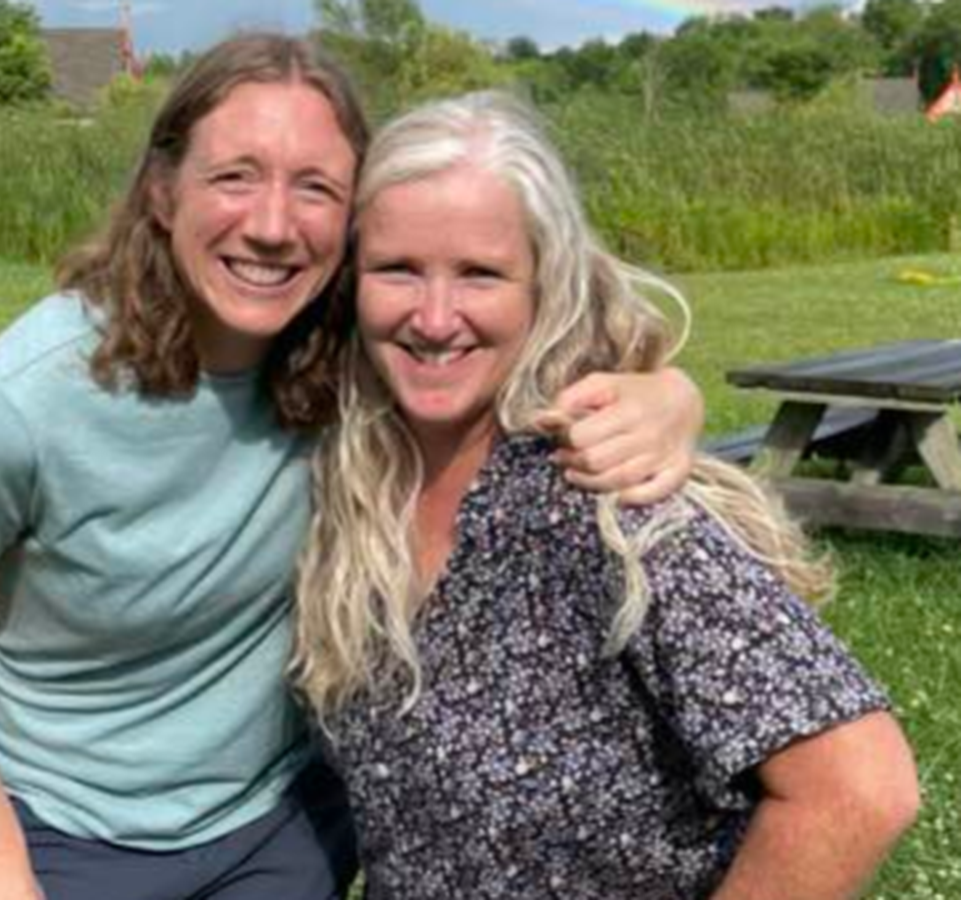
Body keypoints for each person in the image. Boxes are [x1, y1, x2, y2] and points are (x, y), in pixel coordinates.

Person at [0, 36, 704, 900]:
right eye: (235, 176)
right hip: (66, 827)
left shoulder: (362, 345)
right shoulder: (19, 402)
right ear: (162, 190)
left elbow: (536, 306)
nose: (272, 227)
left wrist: (668, 394)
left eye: (315, 188)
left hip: (284, 820)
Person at [292, 91, 920, 900]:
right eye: (397, 269)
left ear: (544, 288)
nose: (435, 317)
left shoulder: (606, 497)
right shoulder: (352, 487)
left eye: (481, 273)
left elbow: (859, 789)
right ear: (351, 281)